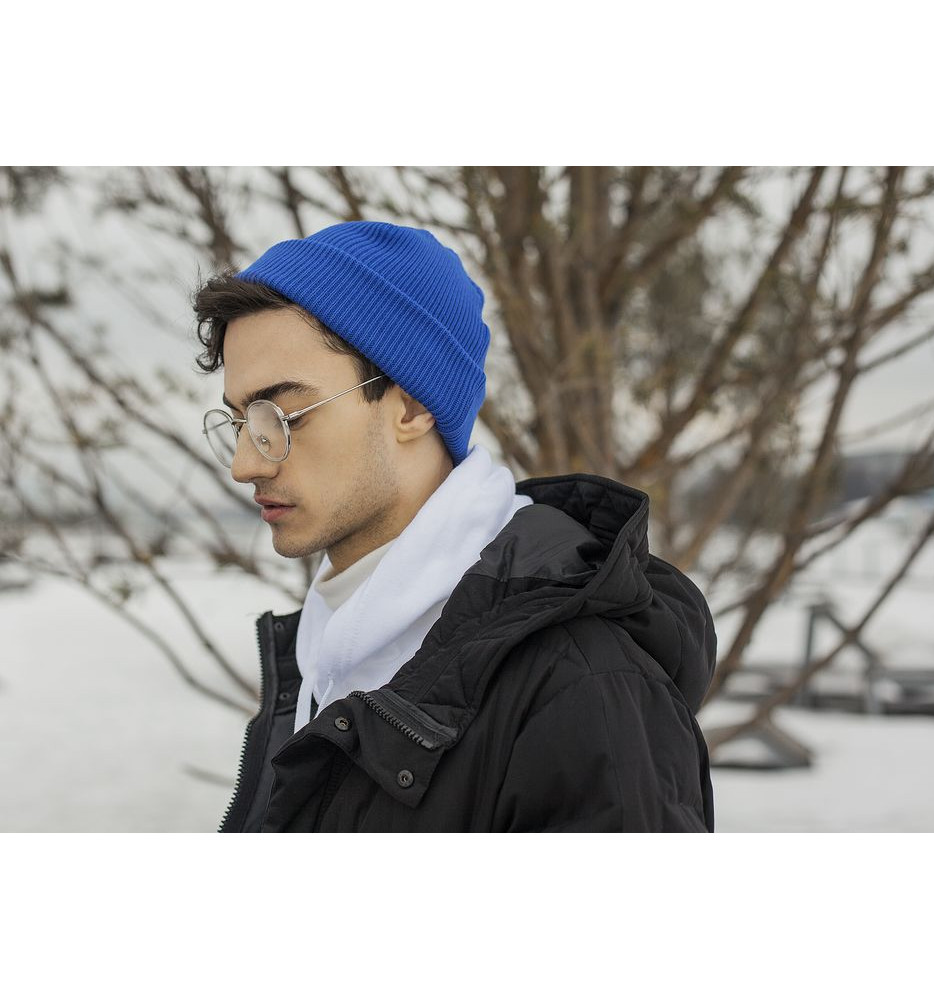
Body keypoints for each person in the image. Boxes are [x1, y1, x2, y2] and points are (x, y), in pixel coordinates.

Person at [192, 220, 717, 832]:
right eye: (240, 422)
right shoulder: (321, 655)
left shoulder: (584, 688)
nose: (245, 464)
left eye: (282, 416)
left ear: (413, 405)